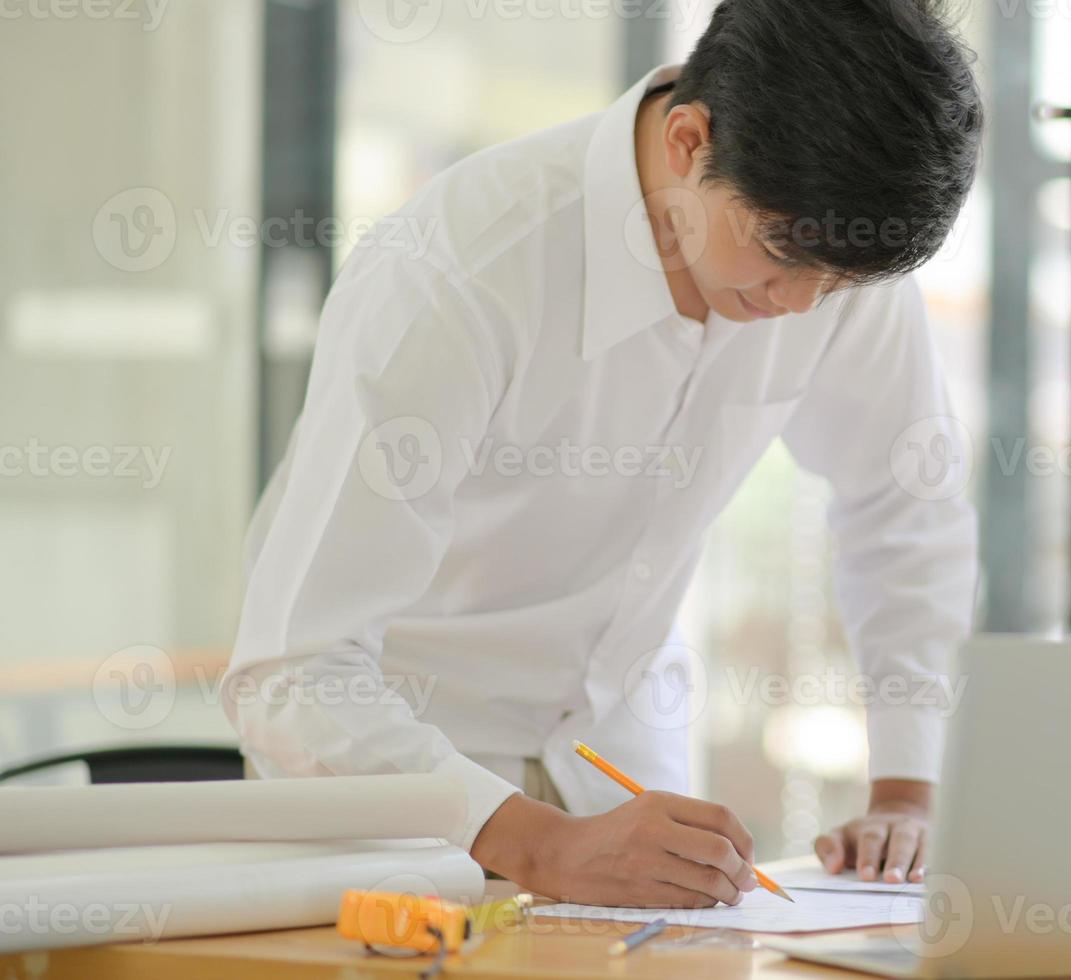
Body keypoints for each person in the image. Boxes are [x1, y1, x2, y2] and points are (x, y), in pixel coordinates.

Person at [222, 0, 981, 909]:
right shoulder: (460, 268)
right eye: (780, 258)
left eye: (841, 283)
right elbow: (293, 671)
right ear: (688, 142)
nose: (803, 309)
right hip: (402, 781)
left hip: (622, 767)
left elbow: (902, 507)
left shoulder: (826, 250)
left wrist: (908, 789)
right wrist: (539, 846)